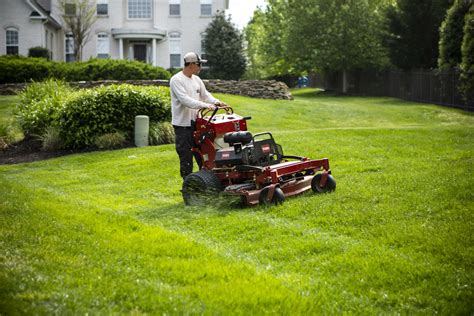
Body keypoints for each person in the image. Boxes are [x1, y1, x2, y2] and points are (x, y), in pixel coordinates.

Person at [170, 52, 226, 179]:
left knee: (204, 155)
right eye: (198, 64)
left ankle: (207, 181)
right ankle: (188, 186)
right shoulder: (177, 80)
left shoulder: (196, 79)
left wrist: (215, 102)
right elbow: (185, 100)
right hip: (182, 126)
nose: (200, 67)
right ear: (190, 64)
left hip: (197, 125)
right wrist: (205, 105)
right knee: (186, 157)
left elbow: (205, 95)